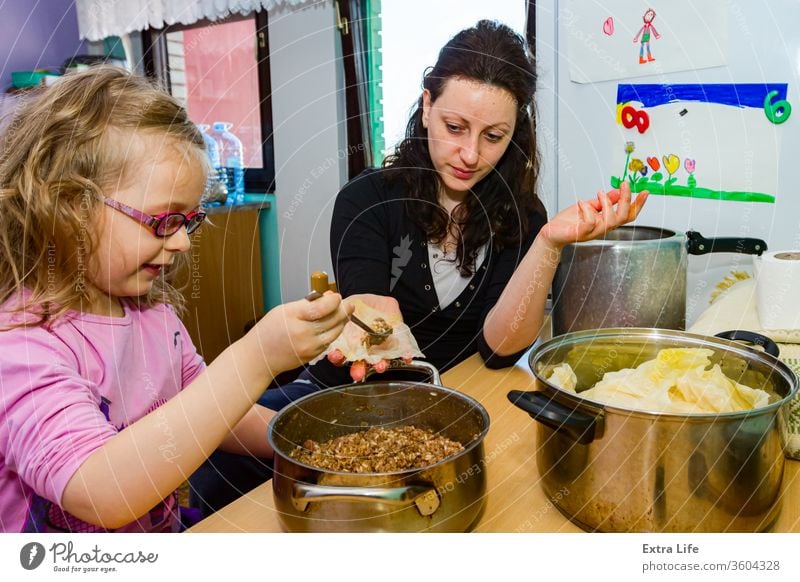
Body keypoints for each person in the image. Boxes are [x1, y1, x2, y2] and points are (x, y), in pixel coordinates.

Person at [191, 19, 648, 516]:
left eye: (493, 136)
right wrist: (382, 332)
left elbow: (498, 350)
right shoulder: (368, 200)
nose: (470, 154)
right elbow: (373, 310)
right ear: (427, 106)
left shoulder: (523, 215)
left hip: (447, 403)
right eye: (455, 128)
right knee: (220, 463)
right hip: (344, 393)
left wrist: (548, 244)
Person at [0, 66, 350, 533]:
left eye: (190, 221)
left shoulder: (153, 316)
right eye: (164, 220)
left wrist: (309, 443)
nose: (184, 242)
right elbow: (103, 492)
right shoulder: (20, 344)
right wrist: (255, 358)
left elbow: (218, 414)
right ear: (70, 207)